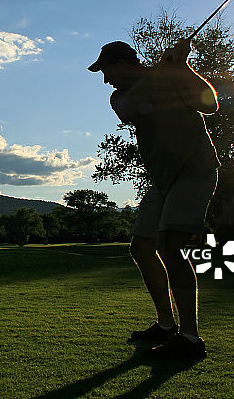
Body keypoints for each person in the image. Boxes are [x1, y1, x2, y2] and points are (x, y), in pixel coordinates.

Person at [88, 39, 220, 360]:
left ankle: (190, 339)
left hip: (194, 170)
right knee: (141, 247)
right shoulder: (120, 96)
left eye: (106, 71)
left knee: (169, 245)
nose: (106, 80)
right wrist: (163, 71)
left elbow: (210, 104)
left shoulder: (169, 77)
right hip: (162, 181)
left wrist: (181, 67)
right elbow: (128, 109)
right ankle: (165, 325)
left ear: (121, 64)